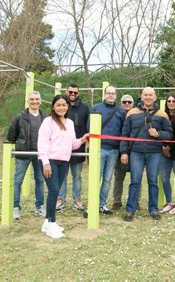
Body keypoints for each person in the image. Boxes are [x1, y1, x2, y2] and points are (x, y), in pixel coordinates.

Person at [120, 87, 173, 222]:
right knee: (135, 181)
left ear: (155, 97)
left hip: (154, 152)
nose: (148, 97)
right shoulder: (132, 112)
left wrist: (158, 134)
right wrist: (124, 152)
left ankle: (153, 209)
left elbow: (170, 134)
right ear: (141, 97)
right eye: (145, 95)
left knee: (153, 182)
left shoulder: (162, 114)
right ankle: (130, 210)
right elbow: (125, 134)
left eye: (150, 95)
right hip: (136, 152)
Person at [38, 94, 88, 239]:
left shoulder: (70, 123)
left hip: (64, 161)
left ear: (68, 107)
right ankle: (52, 224)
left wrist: (82, 139)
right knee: (54, 191)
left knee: (56, 191)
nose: (61, 108)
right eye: (58, 105)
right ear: (53, 106)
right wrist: (45, 162)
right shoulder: (48, 121)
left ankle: (47, 222)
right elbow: (42, 143)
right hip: (50, 161)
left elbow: (72, 144)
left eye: (64, 105)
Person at [7, 91, 46, 220]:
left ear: (40, 101)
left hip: (39, 154)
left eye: (37, 99)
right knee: (18, 181)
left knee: (40, 180)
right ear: (28, 101)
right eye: (32, 99)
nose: (34, 101)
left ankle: (39, 206)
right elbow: (11, 135)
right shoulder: (20, 117)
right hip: (23, 154)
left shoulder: (45, 117)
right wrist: (21, 144)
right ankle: (15, 207)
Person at [87, 85, 125, 216]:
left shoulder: (121, 111)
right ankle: (91, 205)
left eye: (113, 93)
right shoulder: (96, 108)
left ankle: (102, 204)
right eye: (108, 93)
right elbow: (89, 128)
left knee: (107, 179)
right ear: (104, 94)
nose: (110, 95)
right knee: (95, 178)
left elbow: (123, 130)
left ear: (116, 95)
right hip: (99, 148)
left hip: (114, 150)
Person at [57, 83, 90, 211]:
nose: (72, 94)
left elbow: (88, 128)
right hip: (62, 149)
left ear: (78, 93)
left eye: (75, 93)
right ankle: (60, 200)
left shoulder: (85, 108)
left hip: (78, 148)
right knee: (62, 176)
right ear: (66, 91)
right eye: (70, 92)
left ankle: (77, 200)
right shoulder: (61, 106)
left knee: (77, 176)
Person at [111, 94, 142, 210]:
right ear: (121, 103)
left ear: (133, 104)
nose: (127, 104)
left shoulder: (137, 115)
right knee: (119, 177)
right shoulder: (116, 115)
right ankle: (117, 201)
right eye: (124, 102)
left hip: (135, 151)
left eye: (129, 102)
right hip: (120, 151)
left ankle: (136, 201)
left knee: (136, 178)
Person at [160, 93, 175, 214]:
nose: (171, 103)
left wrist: (169, 147)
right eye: (169, 101)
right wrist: (164, 148)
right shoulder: (162, 116)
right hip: (164, 152)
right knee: (164, 178)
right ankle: (169, 202)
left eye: (173, 101)